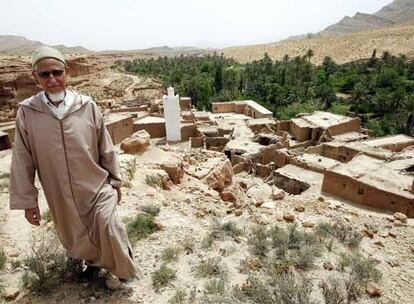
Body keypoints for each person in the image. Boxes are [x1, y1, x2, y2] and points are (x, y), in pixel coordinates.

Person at [9, 46, 140, 288]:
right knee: (76, 233)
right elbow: (22, 160)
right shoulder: (27, 113)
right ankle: (93, 265)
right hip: (59, 190)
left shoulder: (86, 105)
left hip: (96, 185)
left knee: (110, 226)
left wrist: (115, 180)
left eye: (57, 72)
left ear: (67, 72)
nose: (52, 79)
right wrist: (28, 202)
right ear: (35, 78)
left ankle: (124, 271)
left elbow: (105, 146)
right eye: (45, 75)